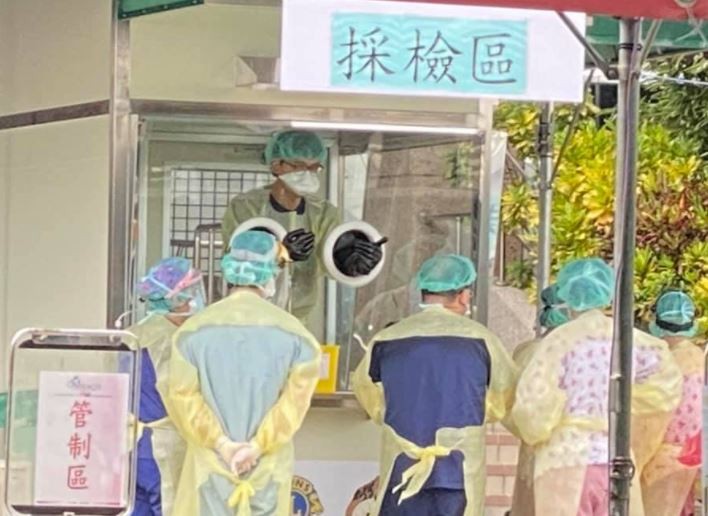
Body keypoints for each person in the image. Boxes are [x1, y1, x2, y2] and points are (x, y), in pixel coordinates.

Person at [165, 230, 321, 516]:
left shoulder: (191, 333)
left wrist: (222, 444)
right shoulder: (298, 338)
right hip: (267, 472)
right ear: (271, 274)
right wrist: (257, 447)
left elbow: (182, 399)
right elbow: (293, 406)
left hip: (209, 470)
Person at [511, 258, 682, 516]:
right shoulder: (631, 341)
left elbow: (532, 407)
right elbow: (666, 388)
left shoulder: (559, 341)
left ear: (567, 293)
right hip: (616, 458)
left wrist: (541, 431)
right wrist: (627, 412)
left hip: (564, 459)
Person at [352, 254, 517, 516]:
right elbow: (506, 394)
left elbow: (366, 392)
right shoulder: (481, 340)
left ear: (423, 290)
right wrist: (473, 415)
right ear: (463, 296)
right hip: (459, 470)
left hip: (400, 467)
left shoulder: (386, 340)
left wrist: (394, 416)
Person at [221, 130, 384, 326]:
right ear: (276, 165)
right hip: (251, 316)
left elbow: (330, 258)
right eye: (298, 166)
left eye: (314, 167)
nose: (307, 173)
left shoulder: (323, 213)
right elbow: (238, 263)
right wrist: (280, 254)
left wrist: (354, 262)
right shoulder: (246, 207)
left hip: (300, 318)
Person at [130, 257, 206, 516]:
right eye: (191, 293)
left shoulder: (131, 335)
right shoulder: (174, 341)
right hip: (162, 448)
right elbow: (181, 396)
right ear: (177, 299)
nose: (195, 301)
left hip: (130, 447)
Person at [508, 284, 570, 516]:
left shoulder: (528, 352)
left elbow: (512, 409)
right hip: (575, 456)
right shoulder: (588, 351)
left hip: (535, 453)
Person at [641, 290, 703, 516]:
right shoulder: (699, 357)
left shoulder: (657, 360)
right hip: (692, 454)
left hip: (658, 456)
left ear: (656, 320)